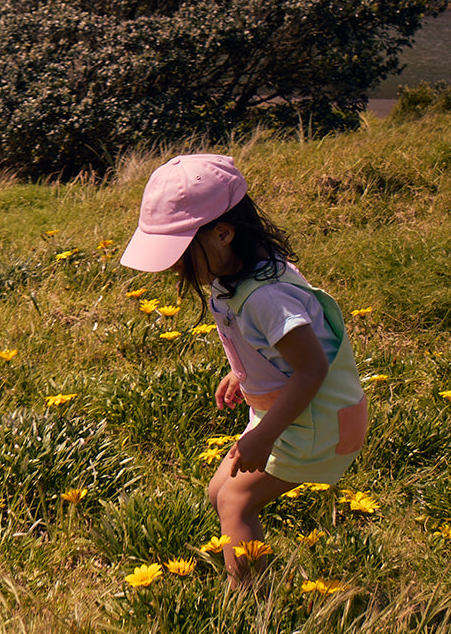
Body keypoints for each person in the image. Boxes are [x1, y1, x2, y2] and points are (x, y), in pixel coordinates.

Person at [121, 153, 367, 586]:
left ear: (222, 233)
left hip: (317, 419)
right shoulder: (234, 270)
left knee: (235, 503)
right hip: (288, 412)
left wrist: (263, 434)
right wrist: (244, 371)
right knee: (218, 492)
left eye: (179, 252)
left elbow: (312, 370)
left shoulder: (265, 296)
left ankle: (253, 607)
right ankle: (253, 587)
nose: (175, 267)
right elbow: (277, 345)